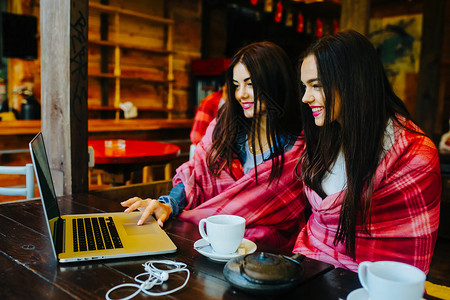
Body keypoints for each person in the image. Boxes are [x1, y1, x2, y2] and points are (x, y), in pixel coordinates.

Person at [122, 41, 307, 251]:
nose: (241, 94)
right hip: (210, 243)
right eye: (236, 85)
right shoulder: (226, 128)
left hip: (269, 255)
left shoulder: (298, 149)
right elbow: (196, 176)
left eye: (250, 84)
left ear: (276, 82)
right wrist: (168, 204)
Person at [293, 30, 441, 274]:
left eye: (316, 86)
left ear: (353, 82)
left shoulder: (415, 156)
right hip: (310, 269)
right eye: (304, 87)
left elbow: (402, 266)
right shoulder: (327, 136)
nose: (306, 98)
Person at [190, 81, 227, 146]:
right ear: (224, 86)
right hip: (206, 146)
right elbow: (197, 135)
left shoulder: (235, 103)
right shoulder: (209, 102)